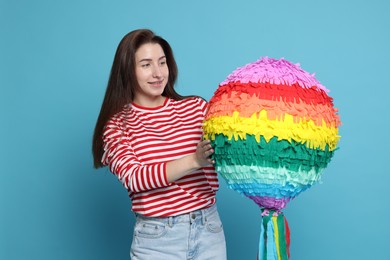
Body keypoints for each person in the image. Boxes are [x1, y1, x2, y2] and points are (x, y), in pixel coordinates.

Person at [92, 29, 227, 260]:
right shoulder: (117, 126)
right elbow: (135, 178)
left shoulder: (196, 108)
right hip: (157, 239)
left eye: (162, 63)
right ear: (127, 70)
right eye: (146, 65)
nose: (157, 73)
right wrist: (194, 160)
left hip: (209, 229)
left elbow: (231, 150)